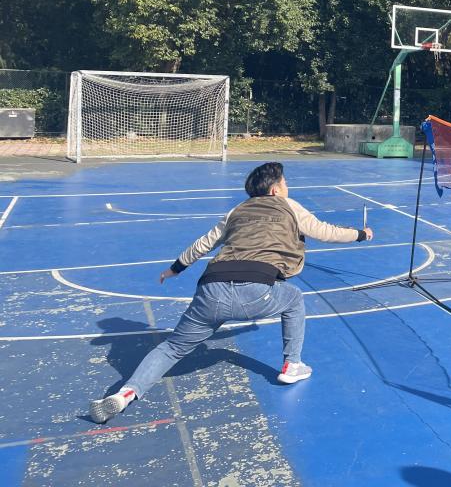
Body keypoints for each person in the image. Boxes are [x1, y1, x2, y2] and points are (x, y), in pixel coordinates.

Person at [89, 161, 373, 424]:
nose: (287, 187)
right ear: (275, 190)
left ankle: (124, 394)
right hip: (255, 289)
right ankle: (292, 365)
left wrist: (175, 269)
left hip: (210, 289)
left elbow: (203, 244)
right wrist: (360, 234)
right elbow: (324, 231)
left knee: (171, 347)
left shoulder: (236, 211)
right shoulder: (288, 205)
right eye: (285, 183)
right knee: (294, 299)